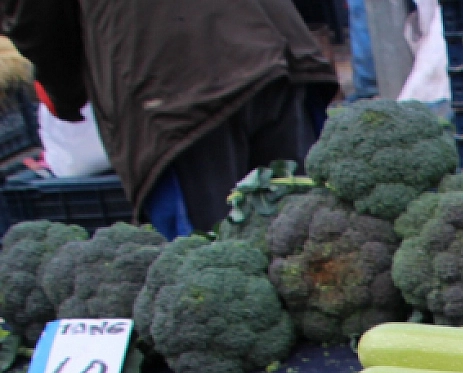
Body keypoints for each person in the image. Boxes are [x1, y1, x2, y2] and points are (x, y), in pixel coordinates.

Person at [2, 0, 342, 235]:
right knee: (302, 232)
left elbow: (35, 17)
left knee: (206, 265)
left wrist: (65, 95)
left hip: (172, 81)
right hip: (273, 44)